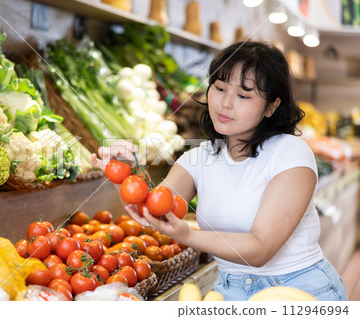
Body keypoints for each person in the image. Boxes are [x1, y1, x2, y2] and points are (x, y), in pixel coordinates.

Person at [91, 41, 348, 301]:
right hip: (230, 293)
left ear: (271, 106)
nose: (225, 103)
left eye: (243, 95)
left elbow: (260, 249)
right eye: (220, 88)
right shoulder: (198, 158)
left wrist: (188, 235)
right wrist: (123, 170)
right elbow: (149, 211)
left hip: (300, 291)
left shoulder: (290, 153)